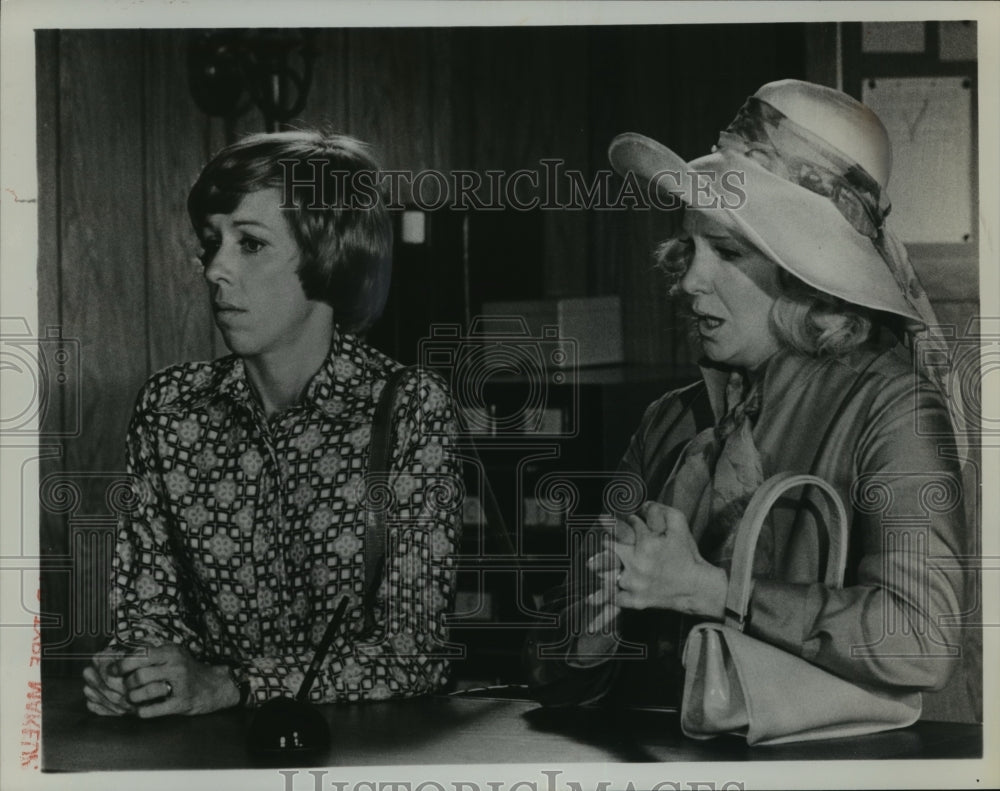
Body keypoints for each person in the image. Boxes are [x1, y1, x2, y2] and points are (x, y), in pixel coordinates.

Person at [524, 80, 971, 712]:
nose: (688, 280)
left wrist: (710, 590)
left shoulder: (890, 408)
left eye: (725, 251)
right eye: (689, 247)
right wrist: (593, 610)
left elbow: (921, 639)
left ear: (807, 278)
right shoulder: (668, 422)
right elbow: (551, 663)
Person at [82, 131, 463, 717]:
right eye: (211, 244)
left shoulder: (409, 407)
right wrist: (136, 671)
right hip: (202, 754)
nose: (215, 270)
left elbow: (415, 655)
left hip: (360, 757)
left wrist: (229, 684)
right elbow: (148, 610)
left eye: (250, 245)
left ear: (328, 255)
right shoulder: (170, 409)